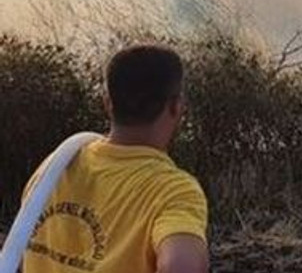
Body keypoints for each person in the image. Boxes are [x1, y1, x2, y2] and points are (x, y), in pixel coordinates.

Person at [22, 44, 209, 273]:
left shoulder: (57, 165)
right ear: (176, 107)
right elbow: (181, 266)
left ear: (108, 104)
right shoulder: (173, 191)